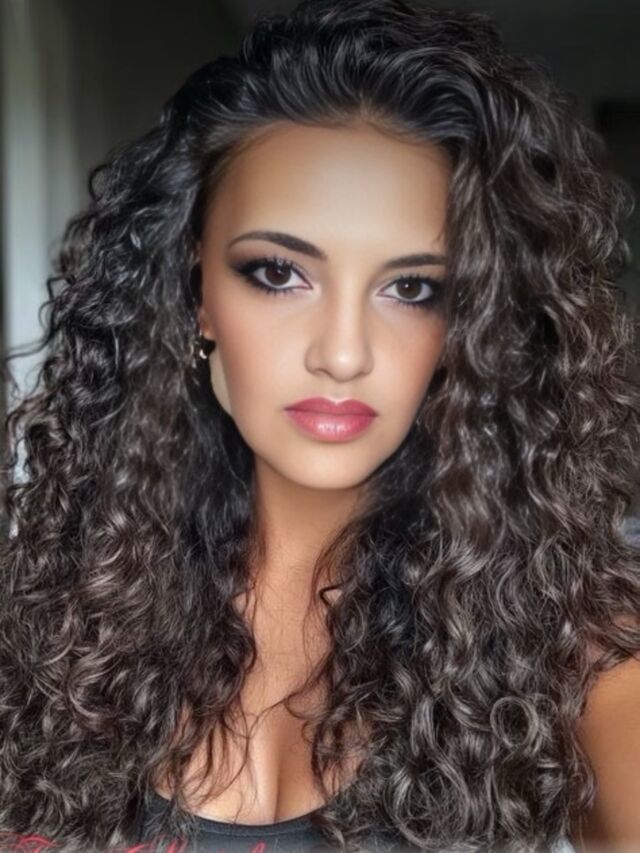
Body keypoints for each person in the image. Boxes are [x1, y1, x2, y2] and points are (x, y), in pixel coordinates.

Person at [1, 0, 639, 850]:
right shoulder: (44, 621)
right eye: (278, 273)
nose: (343, 353)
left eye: (412, 288)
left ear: (469, 325)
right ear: (196, 290)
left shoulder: (570, 646)